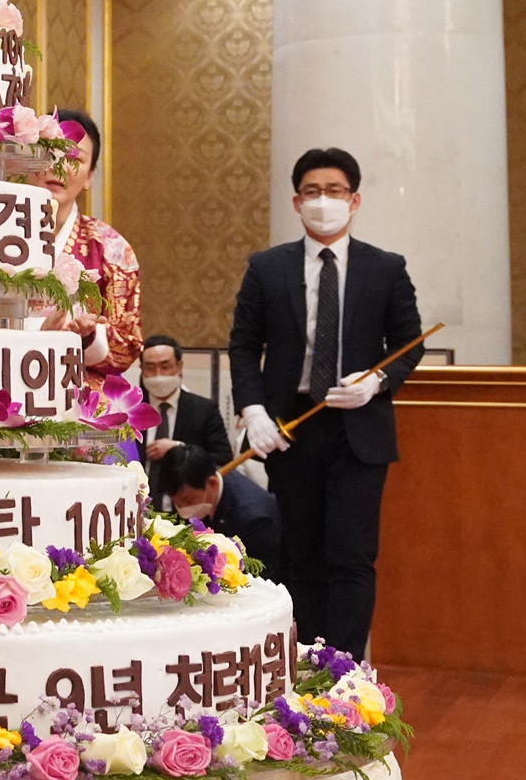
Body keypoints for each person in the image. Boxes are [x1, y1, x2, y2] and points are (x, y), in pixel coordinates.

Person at [227, 147, 420, 659]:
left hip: (360, 432)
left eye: (334, 191)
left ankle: (346, 672)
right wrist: (253, 410)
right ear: (296, 201)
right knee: (300, 554)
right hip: (291, 429)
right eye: (312, 192)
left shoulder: (385, 268)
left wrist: (377, 380)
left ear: (354, 201)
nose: (323, 201)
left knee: (352, 557)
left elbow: (410, 343)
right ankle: (306, 664)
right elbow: (244, 345)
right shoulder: (267, 268)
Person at [41, 107, 142, 385]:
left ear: (89, 177)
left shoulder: (111, 248)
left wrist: (87, 336)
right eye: (50, 153)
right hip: (0, 382)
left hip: (77, 394)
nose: (58, 167)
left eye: (74, 158)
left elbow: (129, 345)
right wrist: (38, 332)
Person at [150, 442, 280, 578]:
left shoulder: (254, 519)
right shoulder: (195, 489)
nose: (182, 508)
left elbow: (260, 578)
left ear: (212, 483)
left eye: (188, 500)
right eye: (175, 502)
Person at [139, 333, 232, 464]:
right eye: (150, 368)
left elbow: (223, 459)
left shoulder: (204, 410)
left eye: (165, 367)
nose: (158, 374)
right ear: (141, 369)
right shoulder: (131, 410)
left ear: (179, 366)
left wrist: (180, 448)